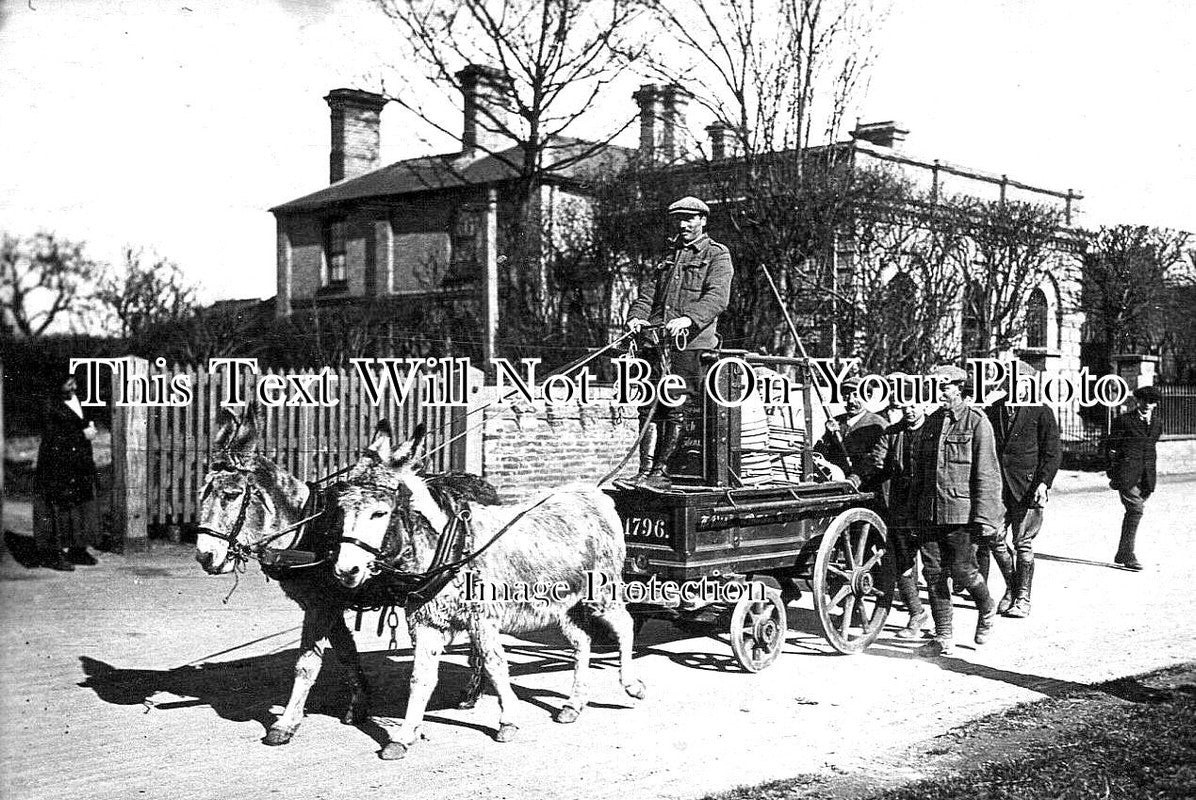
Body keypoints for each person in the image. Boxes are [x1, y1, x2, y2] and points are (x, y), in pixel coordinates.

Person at [625, 196, 733, 489]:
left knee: (675, 405)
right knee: (648, 407)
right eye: (678, 220)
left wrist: (688, 319)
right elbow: (647, 296)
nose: (683, 224)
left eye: (689, 219)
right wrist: (636, 317)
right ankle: (644, 471)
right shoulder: (667, 256)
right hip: (656, 342)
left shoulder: (717, 255)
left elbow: (717, 297)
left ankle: (662, 472)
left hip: (690, 343)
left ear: (703, 221)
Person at [908, 365, 1002, 656]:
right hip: (929, 511)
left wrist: (986, 517)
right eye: (937, 386)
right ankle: (943, 634)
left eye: (945, 386)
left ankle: (986, 607)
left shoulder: (976, 421)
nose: (940, 392)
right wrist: (914, 512)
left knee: (963, 570)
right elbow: (920, 471)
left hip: (961, 511)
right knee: (934, 573)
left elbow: (987, 472)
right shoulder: (932, 421)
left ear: (960, 388)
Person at [979, 360, 1061, 617]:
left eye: (1025, 383)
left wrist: (1043, 483)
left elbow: (1052, 452)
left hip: (1027, 487)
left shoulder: (1041, 411)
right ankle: (1012, 588)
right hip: (998, 486)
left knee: (1023, 543)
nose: (1020, 387)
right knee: (993, 537)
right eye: (1014, 382)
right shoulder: (994, 410)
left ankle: (1022, 599)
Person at [854, 392, 933, 639]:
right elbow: (876, 462)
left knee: (935, 566)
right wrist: (854, 479)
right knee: (902, 562)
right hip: (903, 507)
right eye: (904, 406)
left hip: (932, 507)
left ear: (925, 404)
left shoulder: (936, 430)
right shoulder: (892, 432)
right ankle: (917, 613)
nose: (909, 410)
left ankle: (946, 627)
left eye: (914, 404)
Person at [33, 374, 101, 571]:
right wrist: (82, 435)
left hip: (79, 461)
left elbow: (83, 419)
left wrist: (90, 426)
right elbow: (52, 435)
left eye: (74, 382)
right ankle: (53, 554)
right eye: (68, 383)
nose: (74, 387)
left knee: (80, 505)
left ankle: (77, 549)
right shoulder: (48, 404)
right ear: (57, 384)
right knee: (56, 508)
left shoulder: (78, 399)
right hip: (56, 463)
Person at [1105, 385, 1163, 571]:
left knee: (1133, 513)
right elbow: (1110, 448)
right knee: (1136, 510)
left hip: (1146, 477)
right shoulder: (1123, 421)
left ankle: (1123, 552)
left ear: (1156, 404)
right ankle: (1128, 554)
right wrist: (1113, 472)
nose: (1147, 404)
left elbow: (1151, 447)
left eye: (1152, 402)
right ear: (1137, 401)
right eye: (1144, 400)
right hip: (1127, 474)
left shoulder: (1157, 423)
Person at [817, 376, 888, 477]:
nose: (850, 400)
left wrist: (854, 480)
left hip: (864, 485)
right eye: (846, 395)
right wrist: (828, 436)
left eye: (856, 395)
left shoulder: (878, 425)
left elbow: (877, 462)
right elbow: (820, 455)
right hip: (836, 482)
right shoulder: (836, 422)